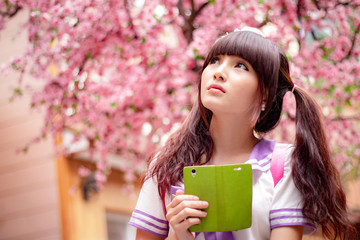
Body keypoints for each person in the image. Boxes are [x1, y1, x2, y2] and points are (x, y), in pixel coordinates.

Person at [128, 27, 357, 240]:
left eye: (240, 66)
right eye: (215, 60)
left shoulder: (283, 165)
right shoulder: (166, 166)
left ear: (265, 94)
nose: (218, 72)